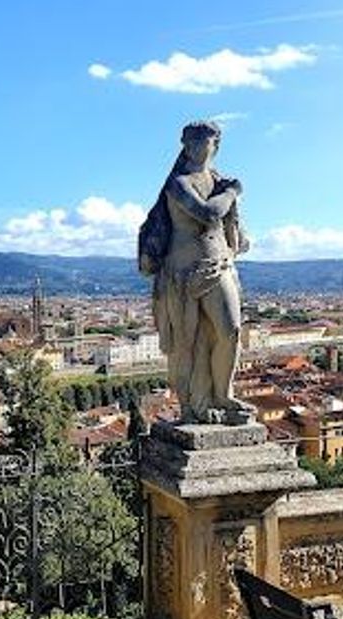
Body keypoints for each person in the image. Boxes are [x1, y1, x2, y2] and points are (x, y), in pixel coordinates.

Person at [139, 121, 253, 424]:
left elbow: (239, 239)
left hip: (219, 265)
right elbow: (207, 213)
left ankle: (223, 395)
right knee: (185, 345)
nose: (200, 148)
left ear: (215, 145)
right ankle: (191, 406)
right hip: (182, 275)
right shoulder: (179, 182)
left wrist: (230, 200)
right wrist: (232, 194)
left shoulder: (217, 181)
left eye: (207, 142)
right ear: (186, 146)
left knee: (230, 333)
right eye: (194, 143)